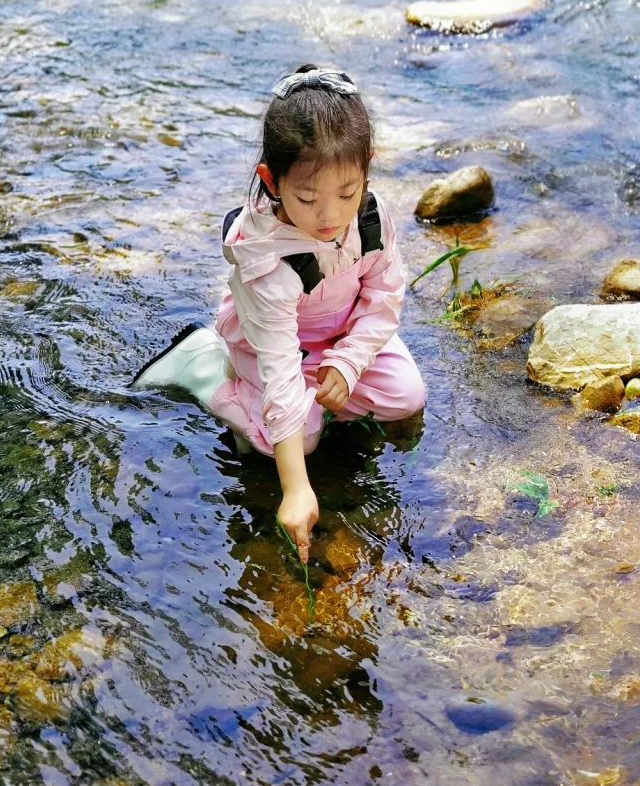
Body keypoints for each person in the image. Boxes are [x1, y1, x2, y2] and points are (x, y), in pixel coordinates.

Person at [132, 64, 425, 561]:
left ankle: (322, 394)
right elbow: (281, 369)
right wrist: (296, 487)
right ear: (271, 180)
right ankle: (205, 368)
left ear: (367, 170)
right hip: (268, 348)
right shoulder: (267, 259)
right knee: (293, 445)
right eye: (307, 198)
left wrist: (349, 361)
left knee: (406, 396)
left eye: (347, 193)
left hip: (338, 337)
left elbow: (383, 298)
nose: (329, 215)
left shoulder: (371, 219)